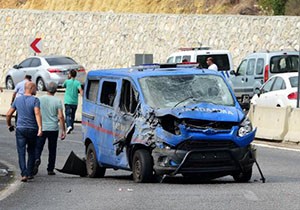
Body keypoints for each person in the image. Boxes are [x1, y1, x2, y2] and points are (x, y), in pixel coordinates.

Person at [6, 82, 42, 182]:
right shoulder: (35, 100)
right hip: (32, 129)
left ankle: (24, 174)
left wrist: (9, 125)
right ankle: (29, 172)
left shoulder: (17, 100)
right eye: (35, 88)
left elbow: (9, 114)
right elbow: (37, 113)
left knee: (21, 152)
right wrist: (40, 128)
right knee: (31, 151)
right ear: (31, 88)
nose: (36, 90)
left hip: (20, 129)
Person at [33, 82, 66, 176]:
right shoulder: (57, 101)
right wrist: (63, 130)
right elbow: (60, 116)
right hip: (53, 128)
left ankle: (36, 159)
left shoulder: (39, 99)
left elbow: (36, 113)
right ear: (55, 90)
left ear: (46, 89)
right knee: (52, 149)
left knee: (38, 147)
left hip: (41, 127)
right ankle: (50, 169)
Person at [63, 69, 83, 134]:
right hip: (75, 102)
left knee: (68, 114)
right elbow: (80, 90)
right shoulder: (77, 82)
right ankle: (71, 125)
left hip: (68, 101)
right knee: (73, 114)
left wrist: (68, 78)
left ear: (70, 75)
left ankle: (69, 126)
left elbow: (63, 85)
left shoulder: (67, 81)